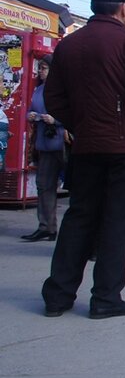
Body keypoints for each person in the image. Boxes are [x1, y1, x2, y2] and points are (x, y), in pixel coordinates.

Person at [40, 0, 125, 319]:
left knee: (79, 216)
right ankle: (106, 297)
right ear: (124, 8)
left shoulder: (69, 45)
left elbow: (54, 98)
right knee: (117, 221)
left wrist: (81, 124)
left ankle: (58, 296)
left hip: (88, 144)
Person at [21, 56, 66, 242]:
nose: (41, 72)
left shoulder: (64, 91)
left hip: (62, 143)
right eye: (40, 68)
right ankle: (46, 226)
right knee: (44, 185)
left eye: (45, 68)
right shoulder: (39, 90)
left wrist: (55, 120)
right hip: (44, 142)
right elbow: (30, 108)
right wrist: (30, 115)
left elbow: (72, 114)